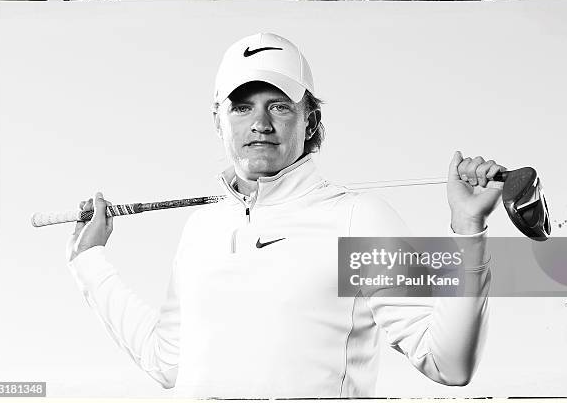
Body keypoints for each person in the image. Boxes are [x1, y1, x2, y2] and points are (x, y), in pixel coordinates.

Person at [66, 33, 505, 398]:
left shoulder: (359, 219)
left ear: (309, 121)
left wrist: (468, 230)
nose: (260, 123)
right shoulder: (203, 227)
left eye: (278, 105)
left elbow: (448, 364)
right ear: (218, 122)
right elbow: (169, 363)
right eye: (241, 107)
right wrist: (90, 263)